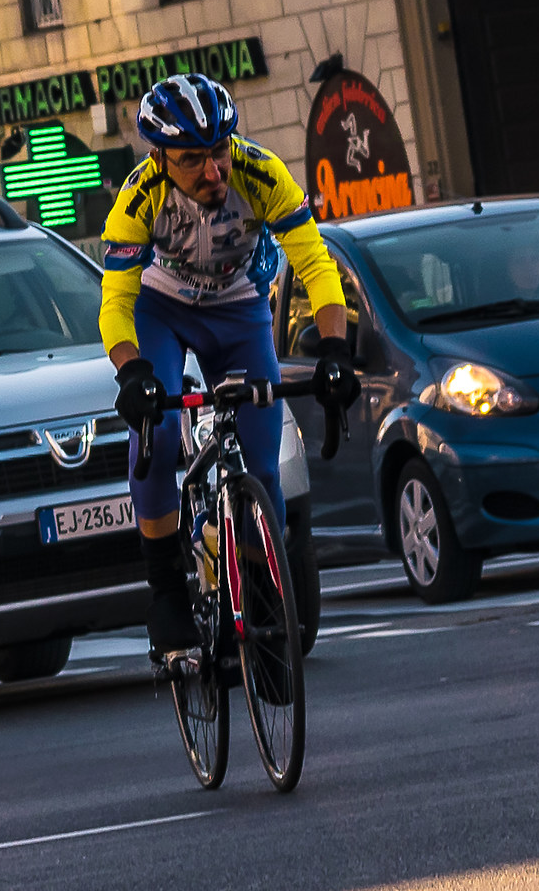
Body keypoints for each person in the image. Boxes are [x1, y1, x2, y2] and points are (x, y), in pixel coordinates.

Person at [100, 73, 360, 657]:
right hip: (161, 310)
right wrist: (132, 372)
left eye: (220, 150)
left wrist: (336, 350)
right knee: (159, 433)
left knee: (264, 465)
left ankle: (261, 594)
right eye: (193, 159)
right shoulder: (138, 200)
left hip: (239, 306)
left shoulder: (262, 174)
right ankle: (166, 590)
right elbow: (114, 303)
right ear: (160, 158)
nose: (213, 170)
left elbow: (316, 265)